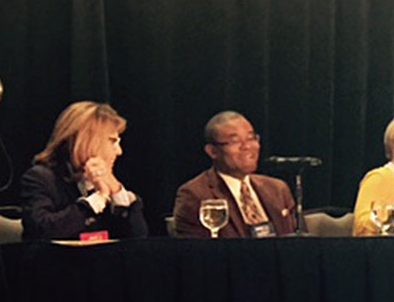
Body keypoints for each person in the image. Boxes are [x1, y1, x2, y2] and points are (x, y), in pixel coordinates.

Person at [20, 101, 148, 240]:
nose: (119, 151)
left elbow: (138, 240)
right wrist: (97, 199)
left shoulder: (106, 182)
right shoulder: (40, 178)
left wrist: (116, 192)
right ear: (87, 140)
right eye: (112, 141)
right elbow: (42, 230)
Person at [173, 110, 296, 238]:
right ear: (212, 151)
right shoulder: (195, 195)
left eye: (251, 138)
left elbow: (299, 242)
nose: (247, 146)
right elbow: (196, 253)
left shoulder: (277, 189)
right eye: (235, 141)